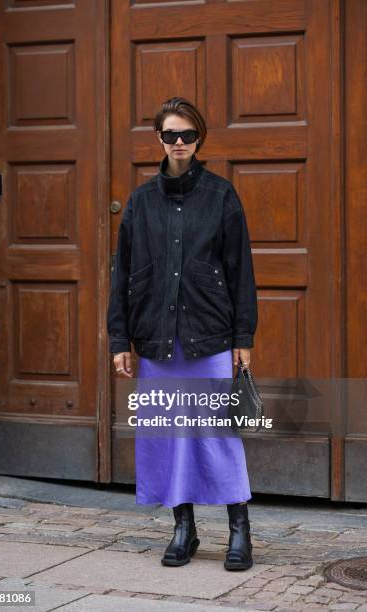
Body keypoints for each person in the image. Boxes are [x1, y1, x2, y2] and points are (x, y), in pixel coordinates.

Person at [107, 97, 258, 571]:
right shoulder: (140, 202)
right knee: (168, 436)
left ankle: (239, 529)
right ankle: (183, 528)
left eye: (187, 135)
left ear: (199, 140)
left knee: (218, 435)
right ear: (159, 138)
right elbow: (122, 275)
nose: (178, 143)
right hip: (155, 339)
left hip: (209, 336)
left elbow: (241, 273)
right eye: (170, 134)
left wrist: (243, 338)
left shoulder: (221, 196)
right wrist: (118, 341)